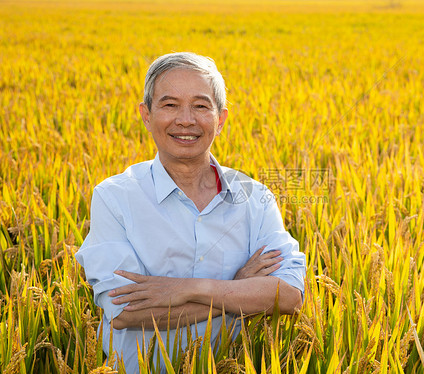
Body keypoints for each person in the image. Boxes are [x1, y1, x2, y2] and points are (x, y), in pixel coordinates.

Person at [75, 52, 306, 373]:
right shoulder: (115, 197)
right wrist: (237, 289)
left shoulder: (255, 197)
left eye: (200, 106)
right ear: (146, 114)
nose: (186, 119)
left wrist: (188, 289)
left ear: (220, 118)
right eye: (170, 105)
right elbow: (125, 314)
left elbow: (289, 296)